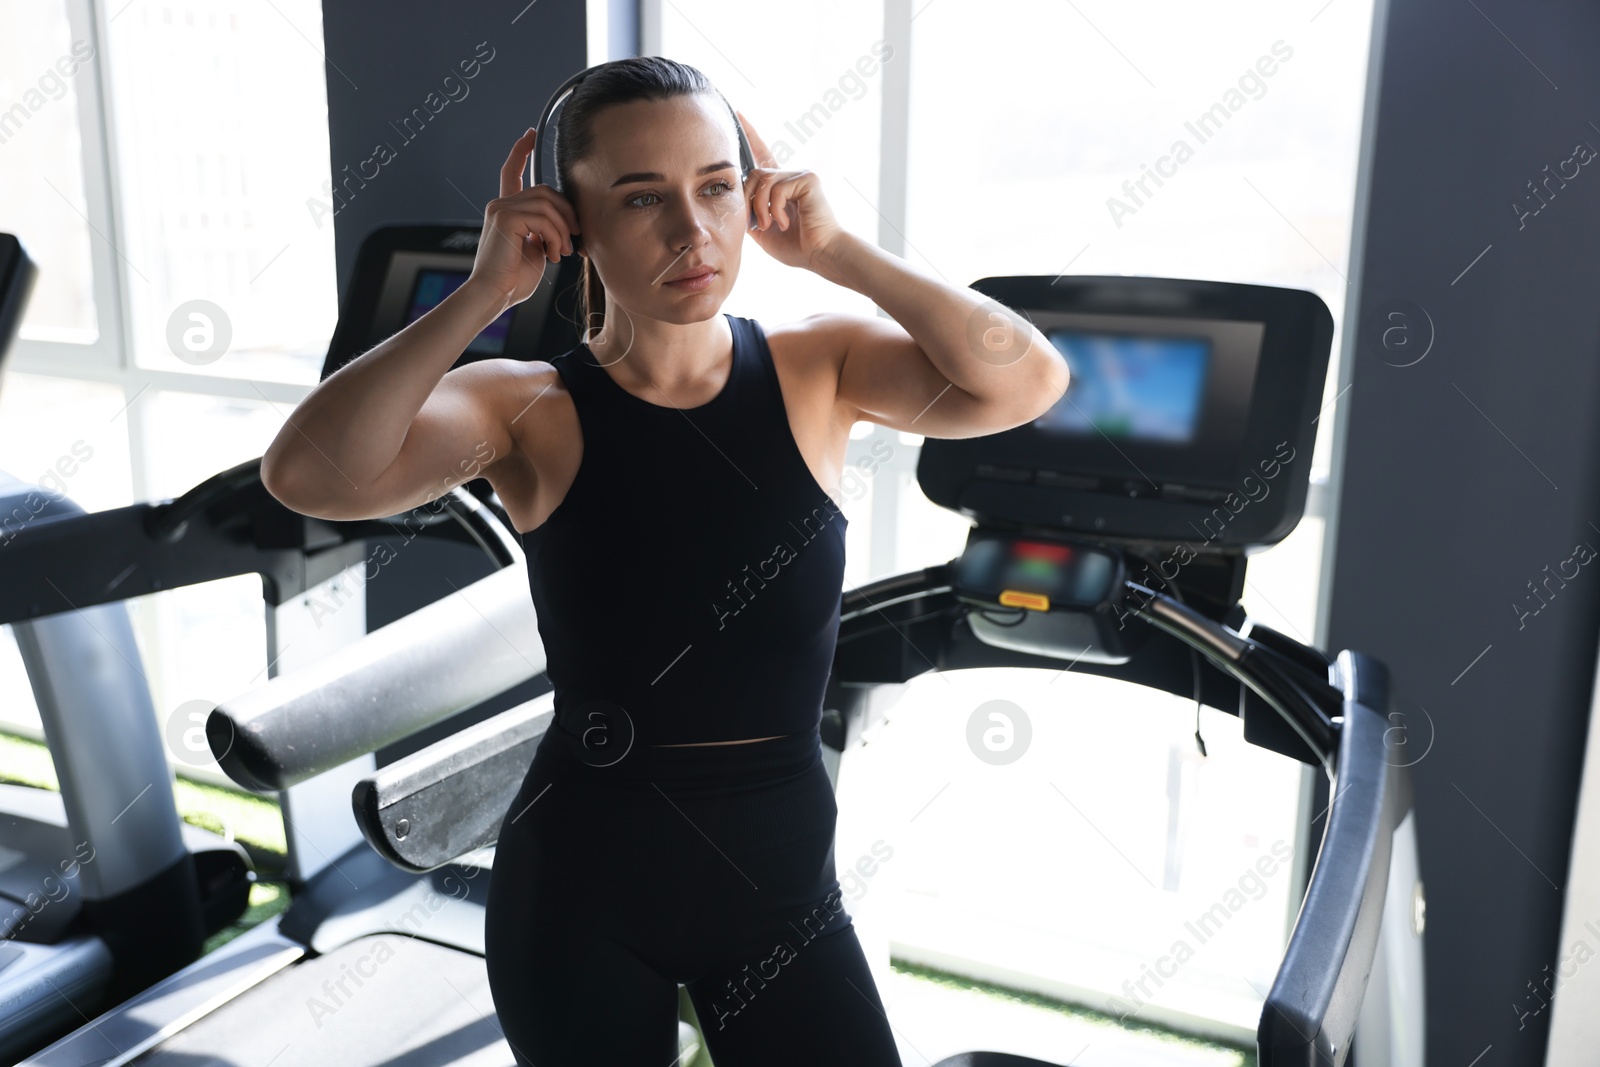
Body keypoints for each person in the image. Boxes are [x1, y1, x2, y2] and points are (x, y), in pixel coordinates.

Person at [260, 55, 1066, 1067]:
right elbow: (307, 473)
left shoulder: (819, 367)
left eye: (716, 186)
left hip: (781, 893)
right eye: (643, 198)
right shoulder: (526, 406)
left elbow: (1027, 381)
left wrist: (842, 253)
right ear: (573, 223)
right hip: (580, 894)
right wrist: (485, 294)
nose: (694, 232)